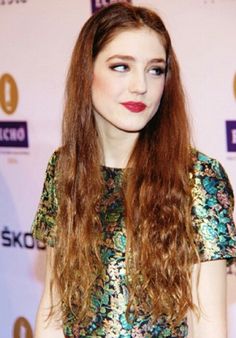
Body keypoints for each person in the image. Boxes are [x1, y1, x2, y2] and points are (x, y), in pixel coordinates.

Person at [32, 3, 236, 338]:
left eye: (156, 70)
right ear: (88, 71)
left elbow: (208, 323)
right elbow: (53, 306)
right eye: (121, 67)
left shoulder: (198, 177)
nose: (140, 86)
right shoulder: (65, 168)